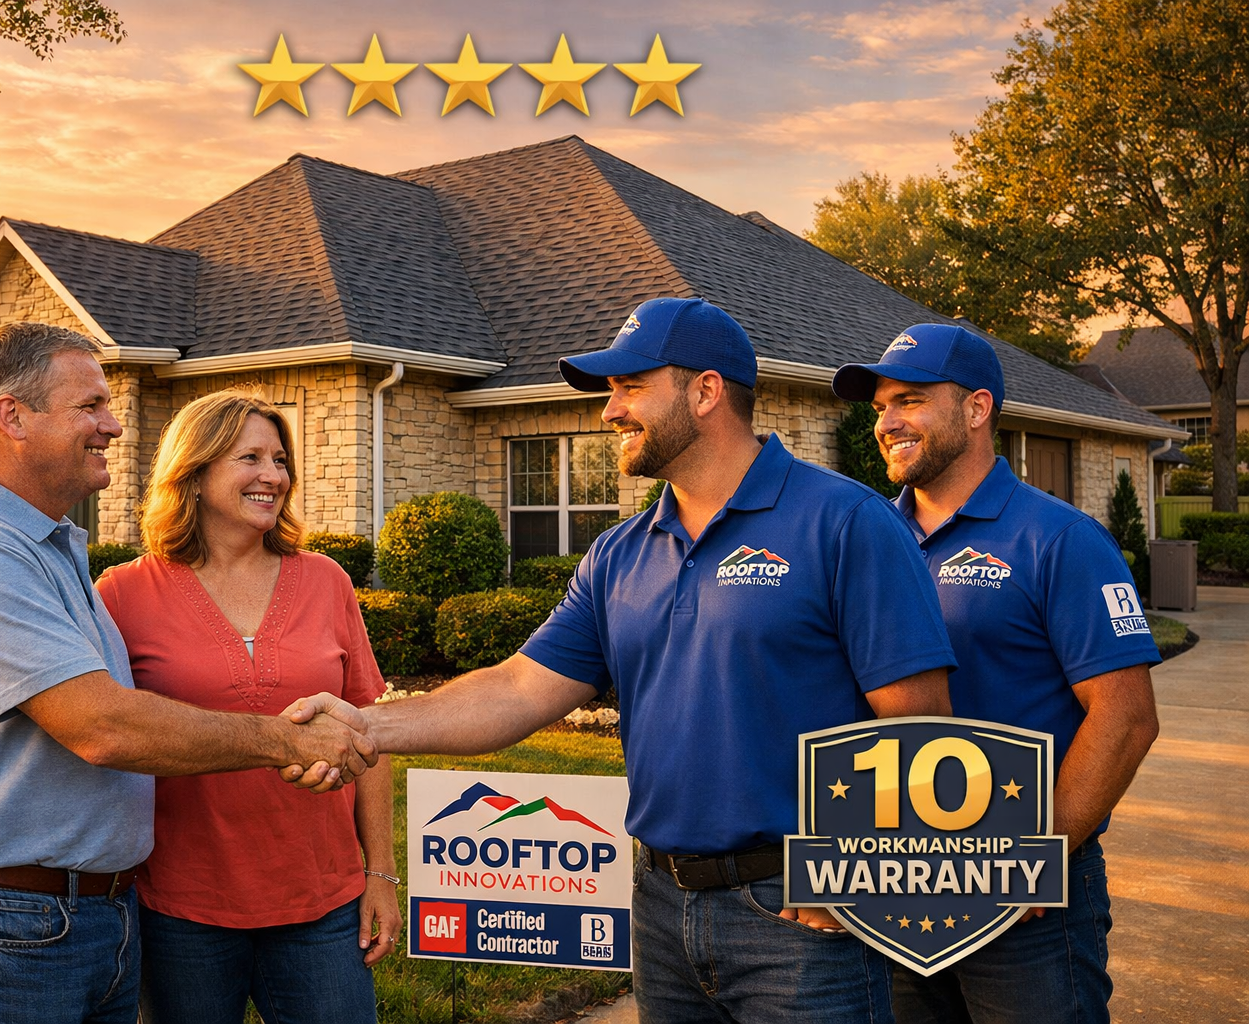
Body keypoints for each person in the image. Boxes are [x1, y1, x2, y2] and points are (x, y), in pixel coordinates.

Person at [291, 297, 960, 1022]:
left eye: (630, 386)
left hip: (799, 915)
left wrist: (849, 866)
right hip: (661, 908)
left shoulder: (845, 522)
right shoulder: (620, 552)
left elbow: (919, 720)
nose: (609, 412)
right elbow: (518, 688)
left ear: (706, 391)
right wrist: (367, 725)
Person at [0, 322, 376, 1024]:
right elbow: (103, 726)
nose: (112, 426)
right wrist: (289, 740)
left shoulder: (48, 548)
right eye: (90, 406)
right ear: (12, 417)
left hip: (92, 917)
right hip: (4, 924)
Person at [832, 322, 1160, 1024]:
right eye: (881, 406)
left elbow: (1127, 716)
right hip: (895, 884)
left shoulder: (1061, 539)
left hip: (1027, 908)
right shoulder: (862, 540)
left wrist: (1035, 857)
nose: (888, 422)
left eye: (910, 400)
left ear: (977, 409)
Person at [93, 390, 399, 1024]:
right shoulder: (123, 594)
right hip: (182, 909)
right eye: (249, 457)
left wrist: (381, 874)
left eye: (280, 460)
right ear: (196, 473)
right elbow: (109, 732)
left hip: (323, 902)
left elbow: (369, 734)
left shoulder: (326, 581)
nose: (273, 476)